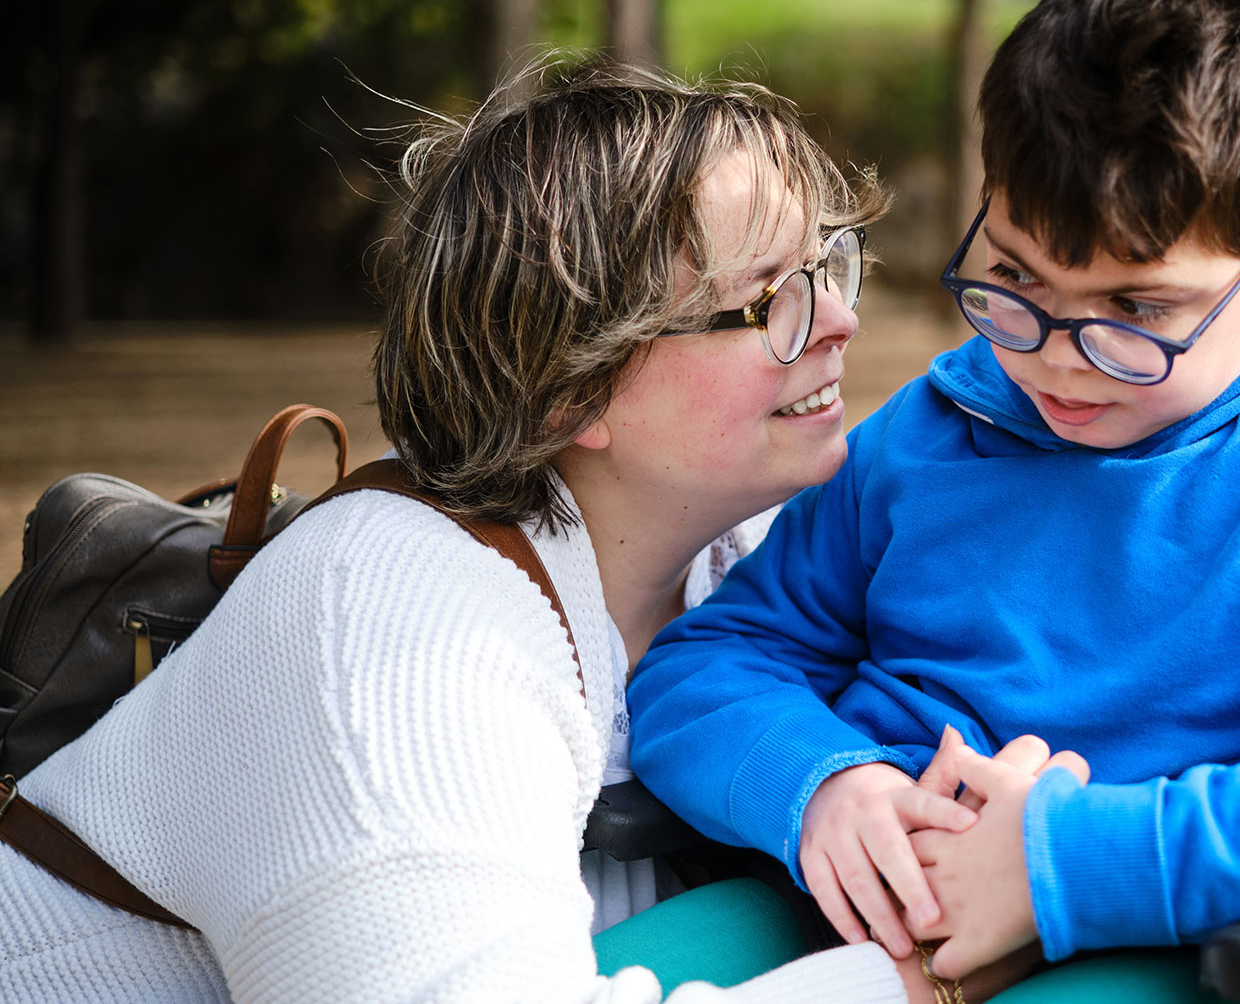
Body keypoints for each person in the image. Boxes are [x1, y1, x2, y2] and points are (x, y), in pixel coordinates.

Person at [627, 0, 1240, 1000]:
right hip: (854, 895)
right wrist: (828, 783)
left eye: (1136, 309)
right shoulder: (930, 430)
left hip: (1149, 937)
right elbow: (706, 664)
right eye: (1016, 276)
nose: (1057, 355)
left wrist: (1064, 858)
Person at [0, 61, 921, 1003]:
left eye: (829, 264)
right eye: (772, 299)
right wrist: (920, 976)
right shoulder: (394, 621)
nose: (843, 321)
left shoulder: (764, 557)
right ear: (573, 387)